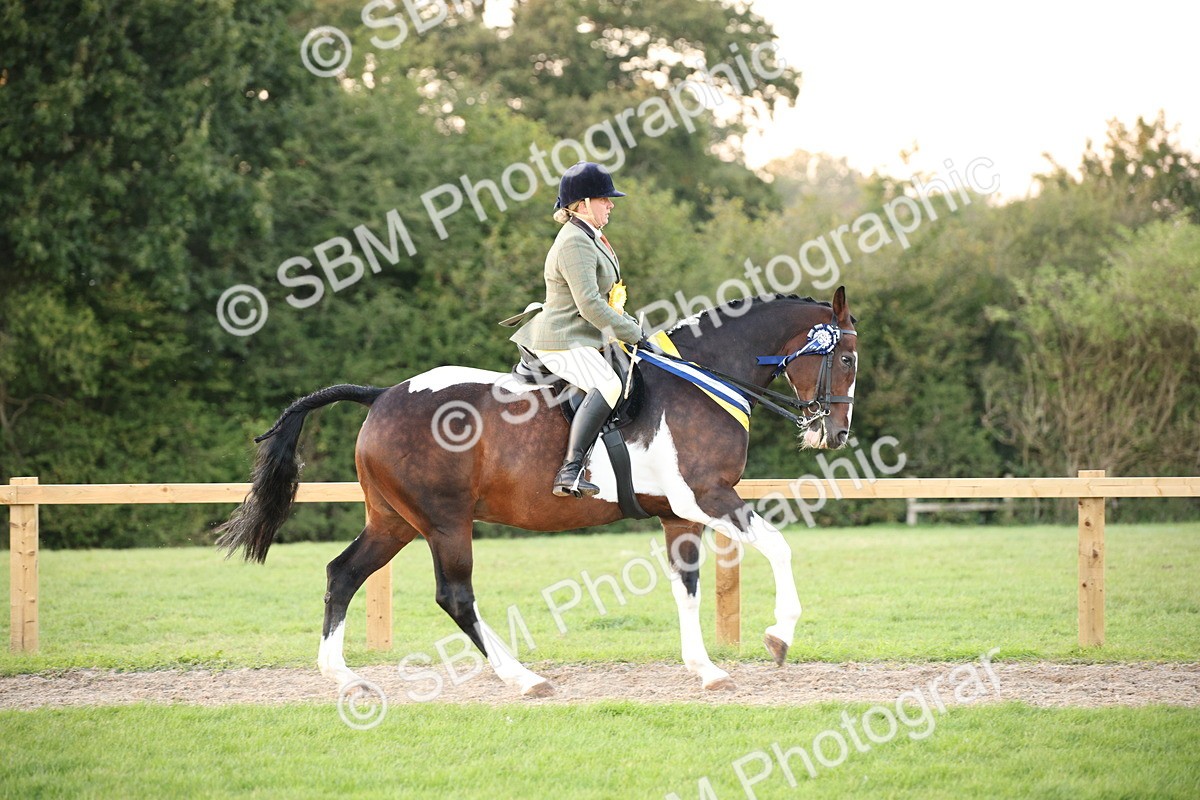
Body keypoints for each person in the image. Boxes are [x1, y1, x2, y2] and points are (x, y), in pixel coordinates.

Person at [503, 161, 644, 498]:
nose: (611, 204)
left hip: (584, 336)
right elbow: (590, 305)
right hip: (562, 339)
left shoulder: (591, 236)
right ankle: (570, 471)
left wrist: (626, 325)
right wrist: (631, 333)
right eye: (604, 199)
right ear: (582, 205)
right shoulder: (574, 243)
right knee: (608, 383)